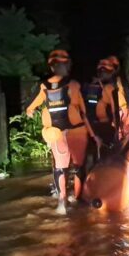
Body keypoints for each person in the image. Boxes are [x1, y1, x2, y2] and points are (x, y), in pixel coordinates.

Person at [26, 49, 102, 215]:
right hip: (76, 132)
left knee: (60, 168)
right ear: (66, 65)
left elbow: (29, 109)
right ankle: (78, 198)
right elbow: (83, 112)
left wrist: (37, 115)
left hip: (56, 134)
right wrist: (94, 135)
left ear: (52, 67)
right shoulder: (74, 85)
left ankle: (62, 201)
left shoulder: (43, 87)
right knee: (79, 167)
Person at [96, 56, 129, 143]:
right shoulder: (105, 85)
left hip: (122, 111)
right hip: (117, 113)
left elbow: (126, 94)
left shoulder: (118, 81)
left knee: (126, 133)